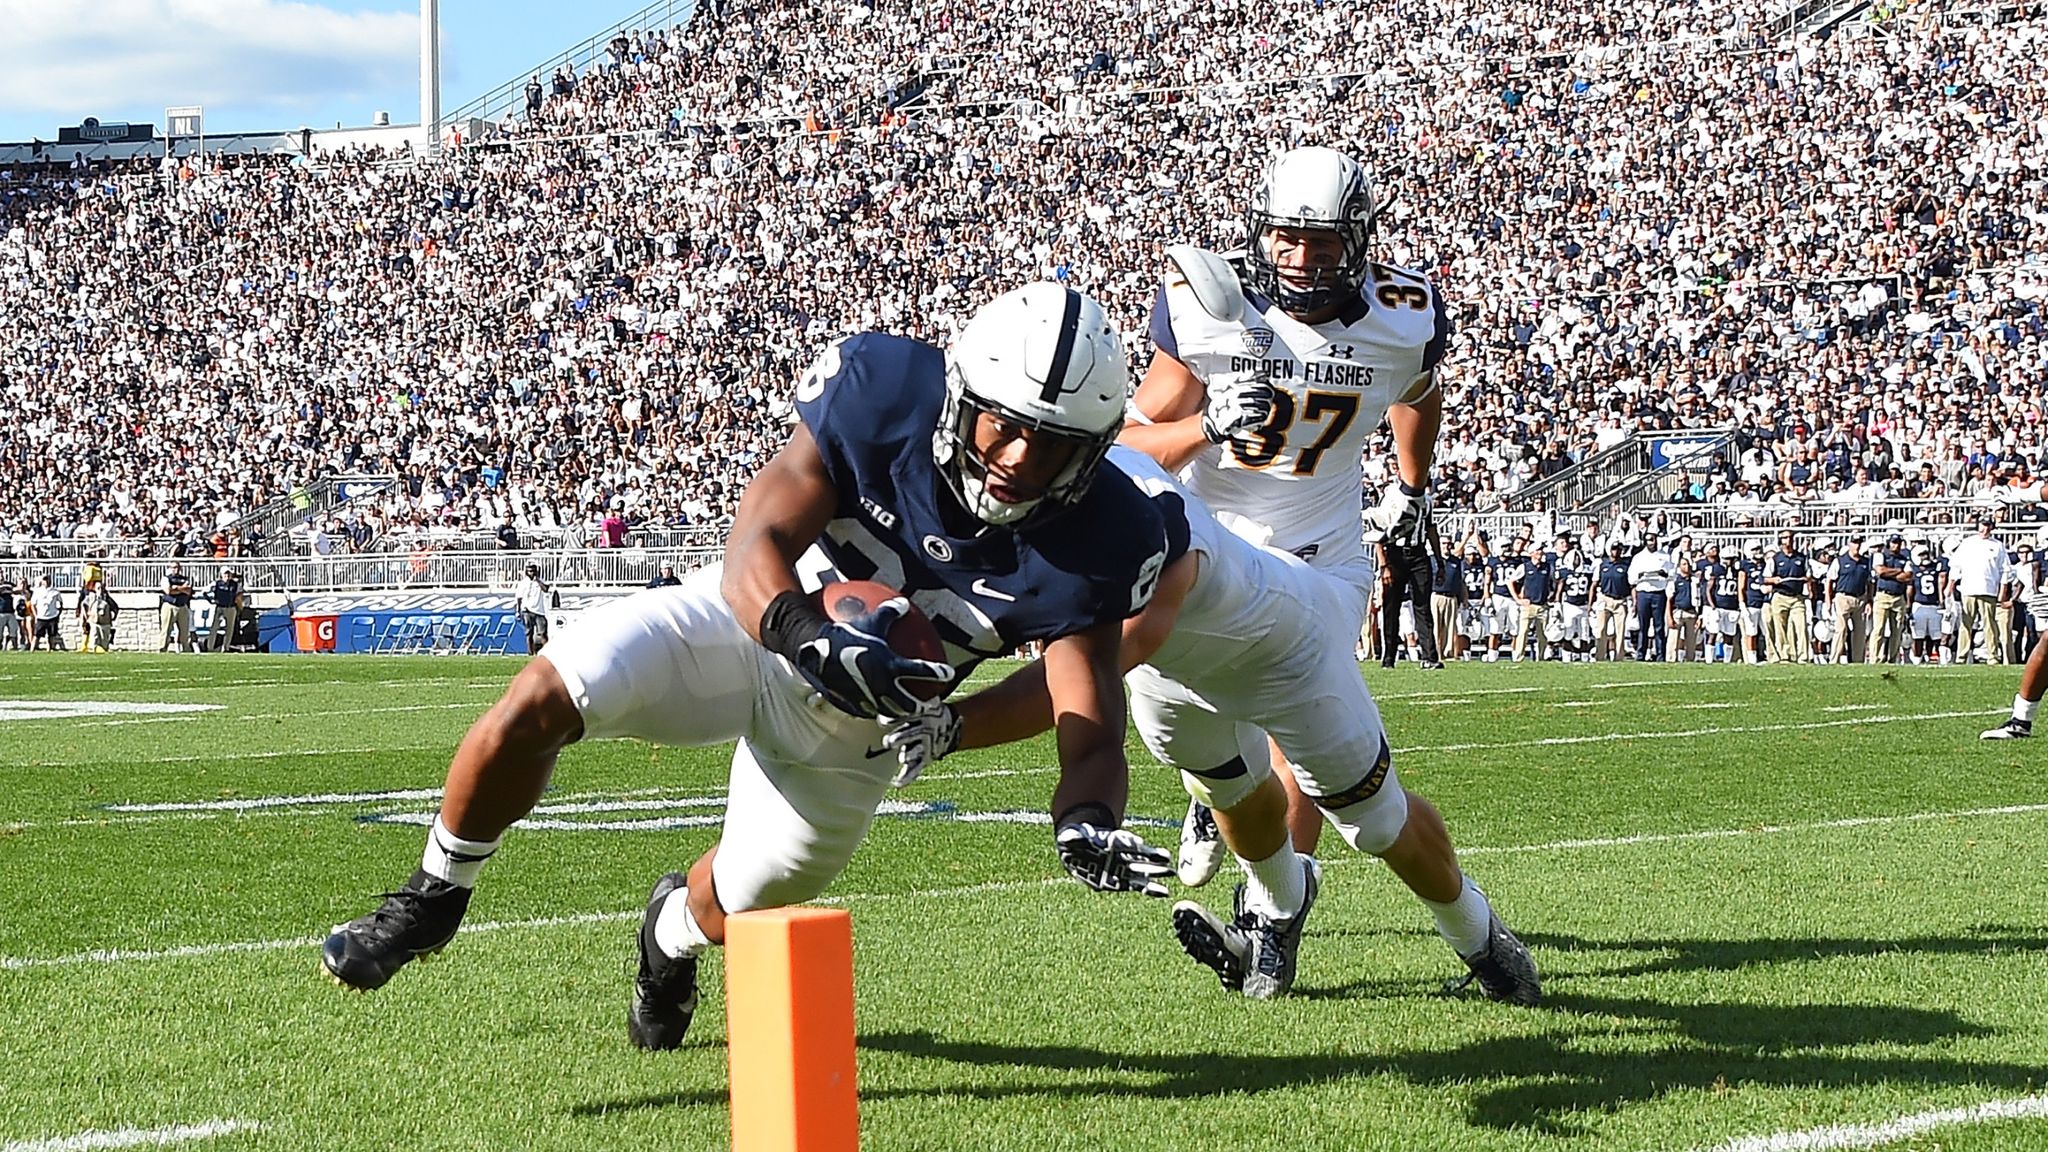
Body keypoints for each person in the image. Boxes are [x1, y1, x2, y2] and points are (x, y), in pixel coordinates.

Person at [318, 285, 1180, 1054]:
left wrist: (1086, 816)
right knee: (546, 692)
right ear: (961, 395)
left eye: (1053, 444)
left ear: (1096, 447)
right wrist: (805, 633)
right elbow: (751, 549)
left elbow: (1090, 714)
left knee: (739, 905)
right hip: (758, 626)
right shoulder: (884, 391)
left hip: (858, 736)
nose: (1021, 460)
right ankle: (436, 893)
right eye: (1007, 424)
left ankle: (666, 938)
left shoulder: (1105, 538)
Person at [884, 446, 1538, 1003]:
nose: (1019, 459)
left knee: (1376, 823)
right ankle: (1280, 905)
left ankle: (1477, 933)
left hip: (1279, 652)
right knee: (1232, 793)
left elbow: (1094, 665)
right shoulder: (1028, 477)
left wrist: (952, 725)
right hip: (1170, 675)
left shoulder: (1139, 517)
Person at [1121, 146, 1448, 878]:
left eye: (1323, 240)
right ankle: (1216, 796)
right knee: (1206, 733)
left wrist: (1411, 485)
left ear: (1357, 241)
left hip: (1320, 552)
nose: (1301, 258)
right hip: (1207, 552)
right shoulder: (1205, 308)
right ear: (1259, 231)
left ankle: (1280, 907)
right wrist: (1205, 426)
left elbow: (1418, 395)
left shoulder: (1404, 317)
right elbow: (1123, 448)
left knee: (1296, 740)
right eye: (1287, 237)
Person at [1951, 516, 2008, 664]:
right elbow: (1956, 566)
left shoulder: (1998, 545)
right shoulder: (1967, 543)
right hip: (1968, 589)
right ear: (1978, 526)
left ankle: (1992, 656)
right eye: (1982, 525)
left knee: (1989, 625)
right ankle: (1961, 657)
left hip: (1988, 590)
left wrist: (2002, 591)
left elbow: (2005, 570)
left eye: (1988, 525)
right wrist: (1949, 586)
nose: (1985, 529)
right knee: (1965, 625)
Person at [1764, 531, 1812, 664]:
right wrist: (1774, 580)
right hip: (1780, 595)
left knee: (1801, 626)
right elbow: (1766, 577)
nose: (1788, 540)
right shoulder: (1775, 559)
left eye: (1790, 538)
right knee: (1780, 628)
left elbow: (1809, 575)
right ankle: (1784, 655)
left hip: (1797, 597)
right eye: (1785, 538)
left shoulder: (1801, 558)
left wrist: (1806, 579)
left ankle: (1803, 656)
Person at [1627, 532, 1674, 662]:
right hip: (1643, 592)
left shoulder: (1664, 557)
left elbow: (1672, 574)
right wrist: (1641, 576)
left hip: (1658, 593)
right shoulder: (1638, 557)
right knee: (1643, 626)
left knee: (1659, 626)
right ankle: (1641, 654)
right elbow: (1631, 578)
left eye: (1653, 539)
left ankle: (1660, 655)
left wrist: (1663, 575)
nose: (1651, 542)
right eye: (1648, 540)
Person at [1827, 535, 1874, 664]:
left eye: (1859, 542)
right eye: (1854, 542)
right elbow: (1830, 580)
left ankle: (1858, 661)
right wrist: (1828, 600)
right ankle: (1834, 659)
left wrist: (1870, 600)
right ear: (1849, 544)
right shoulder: (1840, 561)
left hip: (1860, 598)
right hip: (1843, 597)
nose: (1857, 546)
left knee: (1860, 632)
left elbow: (1870, 582)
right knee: (1841, 629)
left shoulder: (1866, 562)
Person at [1870, 533, 1912, 664]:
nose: (1896, 545)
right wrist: (1898, 571)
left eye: (1898, 542)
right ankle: (1875, 659)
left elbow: (1907, 576)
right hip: (1883, 595)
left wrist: (1890, 573)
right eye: (1894, 542)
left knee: (1897, 630)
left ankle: (1892, 658)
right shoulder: (1880, 555)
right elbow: (1880, 571)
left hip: (1898, 597)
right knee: (1878, 629)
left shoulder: (1905, 558)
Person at [1594, 541, 1632, 661]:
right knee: (1600, 629)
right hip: (1605, 598)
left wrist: (1633, 601)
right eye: (1614, 549)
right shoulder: (1602, 565)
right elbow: (1594, 583)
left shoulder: (1626, 565)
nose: (1616, 551)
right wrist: (1591, 603)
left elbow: (1631, 585)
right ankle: (1600, 656)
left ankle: (1619, 656)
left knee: (1620, 631)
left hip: (1620, 600)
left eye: (1619, 549)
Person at [511, 563, 551, 654]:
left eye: (533, 571)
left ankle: (547, 653)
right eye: (529, 571)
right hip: (527, 610)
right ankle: (530, 652)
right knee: (529, 633)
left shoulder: (541, 581)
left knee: (543, 633)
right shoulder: (523, 583)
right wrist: (518, 610)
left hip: (539, 611)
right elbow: (519, 597)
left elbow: (546, 589)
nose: (531, 573)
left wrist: (538, 580)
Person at [207, 566, 244, 653]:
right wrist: (211, 600)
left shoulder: (235, 584)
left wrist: (240, 607)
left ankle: (226, 647)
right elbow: (205, 591)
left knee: (229, 629)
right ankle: (210, 647)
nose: (227, 575)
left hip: (231, 607)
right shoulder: (216, 583)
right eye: (225, 573)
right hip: (220, 607)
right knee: (214, 628)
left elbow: (239, 595)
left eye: (228, 573)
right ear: (221, 574)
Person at [159, 562, 194, 653]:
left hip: (182, 606)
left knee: (184, 631)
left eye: (177, 567)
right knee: (166, 629)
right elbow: (168, 591)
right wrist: (182, 588)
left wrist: (176, 588)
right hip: (169, 605)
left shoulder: (185, 579)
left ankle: (186, 649)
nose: (175, 569)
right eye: (173, 567)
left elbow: (188, 591)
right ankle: (162, 648)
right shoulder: (166, 578)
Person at [29, 575, 64, 651]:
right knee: (36, 635)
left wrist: (58, 613)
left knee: (51, 635)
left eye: (47, 580)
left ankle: (49, 650)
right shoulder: (37, 591)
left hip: (52, 616)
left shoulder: (55, 592)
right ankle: (32, 650)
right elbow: (33, 604)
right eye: (44, 580)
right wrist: (36, 615)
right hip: (41, 616)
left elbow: (60, 603)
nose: (46, 582)